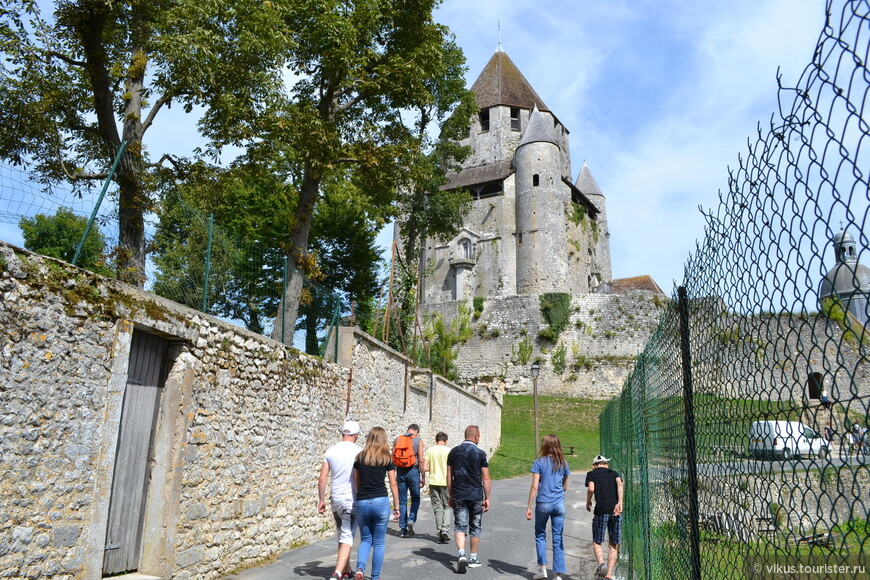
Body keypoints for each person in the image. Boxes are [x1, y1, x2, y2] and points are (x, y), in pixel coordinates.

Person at [353, 427, 401, 580]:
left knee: (366, 539)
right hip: (380, 500)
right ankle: (375, 577)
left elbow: (356, 483)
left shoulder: (359, 457)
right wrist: (397, 506)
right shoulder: (387, 458)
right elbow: (393, 484)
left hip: (362, 500)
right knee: (379, 542)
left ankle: (360, 569)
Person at [318, 420, 363, 580]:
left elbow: (322, 478)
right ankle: (337, 573)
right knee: (347, 535)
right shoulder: (360, 452)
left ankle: (346, 569)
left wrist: (321, 500)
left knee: (342, 534)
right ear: (356, 435)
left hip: (335, 498)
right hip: (351, 498)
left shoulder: (330, 451)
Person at [447, 425, 491, 573]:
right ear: (476, 437)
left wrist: (451, 494)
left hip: (459, 493)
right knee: (475, 526)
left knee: (460, 526)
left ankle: (461, 554)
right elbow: (486, 478)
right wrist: (487, 498)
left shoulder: (453, 452)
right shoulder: (481, 454)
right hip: (476, 495)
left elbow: (449, 476)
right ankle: (473, 558)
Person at [526, 434, 570, 580]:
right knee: (557, 537)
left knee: (540, 534)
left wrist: (529, 506)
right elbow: (565, 485)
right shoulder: (563, 463)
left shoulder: (539, 462)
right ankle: (557, 574)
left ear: (544, 446)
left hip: (543, 503)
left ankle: (542, 569)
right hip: (558, 504)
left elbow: (534, 486)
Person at [585, 455, 623, 579]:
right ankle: (609, 573)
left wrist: (588, 500)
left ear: (594, 465)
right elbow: (620, 484)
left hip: (601, 510)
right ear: (606, 464)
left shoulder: (592, 474)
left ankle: (601, 564)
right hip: (615, 511)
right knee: (613, 543)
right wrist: (620, 502)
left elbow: (591, 488)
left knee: (597, 541)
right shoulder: (614, 473)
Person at [392, 423, 425, 537]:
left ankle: (403, 529)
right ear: (417, 431)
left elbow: (393, 457)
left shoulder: (397, 439)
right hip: (413, 471)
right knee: (415, 498)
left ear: (408, 429)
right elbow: (421, 460)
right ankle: (411, 519)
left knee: (402, 500)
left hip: (400, 471)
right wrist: (423, 476)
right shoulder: (418, 440)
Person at [424, 431, 451, 543]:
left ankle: (439, 531)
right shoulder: (449, 451)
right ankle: (445, 529)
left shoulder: (430, 450)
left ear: (436, 440)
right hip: (446, 481)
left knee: (437, 507)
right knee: (447, 506)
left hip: (434, 481)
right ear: (446, 441)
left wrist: (433, 469)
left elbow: (425, 467)